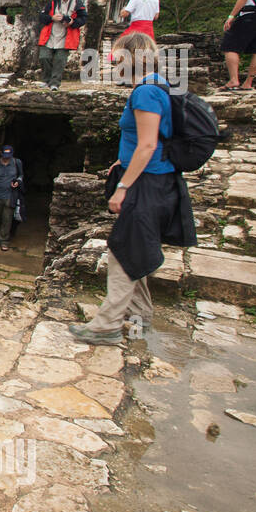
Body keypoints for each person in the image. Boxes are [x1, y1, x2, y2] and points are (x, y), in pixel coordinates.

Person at [69, 31, 196, 346]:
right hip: (155, 180)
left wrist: (123, 186)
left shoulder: (145, 93)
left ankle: (107, 325)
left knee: (122, 249)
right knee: (131, 247)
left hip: (146, 183)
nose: (112, 62)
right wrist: (121, 163)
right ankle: (139, 315)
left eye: (117, 56)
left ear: (132, 57)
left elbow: (149, 144)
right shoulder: (158, 86)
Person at [37, 0, 88, 91]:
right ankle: (46, 80)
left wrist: (71, 22)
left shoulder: (77, 4)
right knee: (44, 57)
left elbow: (83, 19)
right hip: (50, 34)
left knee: (60, 60)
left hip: (66, 36)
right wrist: (52, 18)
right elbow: (41, 16)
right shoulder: (53, 2)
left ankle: (55, 83)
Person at [0, 144, 23, 252]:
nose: (7, 157)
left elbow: (21, 175)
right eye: (5, 155)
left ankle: (4, 240)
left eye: (9, 155)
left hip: (10, 195)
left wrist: (18, 182)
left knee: (7, 218)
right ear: (1, 153)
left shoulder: (17, 163)